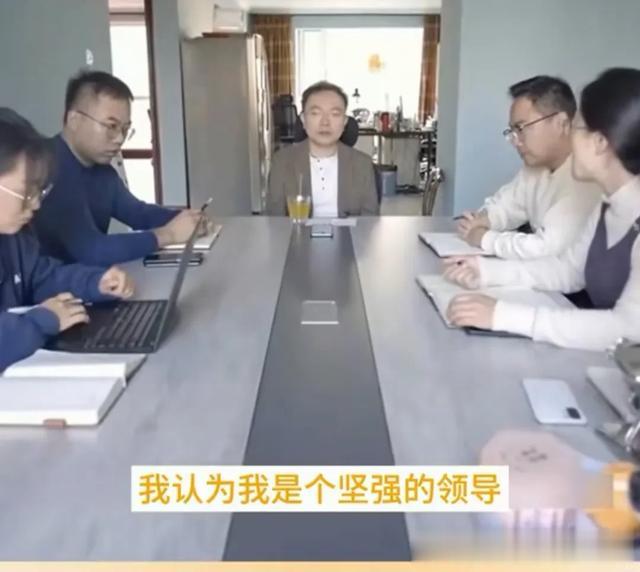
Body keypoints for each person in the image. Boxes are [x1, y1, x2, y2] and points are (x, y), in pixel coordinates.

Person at [444, 68, 640, 351]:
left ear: (600, 142)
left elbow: (628, 328)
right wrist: (486, 271)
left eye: (577, 128)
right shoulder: (607, 206)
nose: (570, 138)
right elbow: (568, 271)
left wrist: (502, 315)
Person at [0, 108, 134, 371]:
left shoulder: (15, 236)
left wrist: (95, 282)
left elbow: (43, 277)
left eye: (39, 191)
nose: (36, 204)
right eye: (26, 193)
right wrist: (44, 320)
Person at [32, 70, 208, 266]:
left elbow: (138, 214)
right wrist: (169, 234)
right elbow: (92, 250)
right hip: (51, 285)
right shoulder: (44, 169)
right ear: (74, 120)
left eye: (125, 129)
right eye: (111, 126)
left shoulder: (103, 172)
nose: (119, 139)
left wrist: (188, 219)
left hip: (91, 280)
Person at [457, 75, 600, 259]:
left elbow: (546, 249)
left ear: (562, 123)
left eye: (521, 128)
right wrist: (483, 219)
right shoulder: (535, 168)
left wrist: (484, 238)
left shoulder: (587, 177)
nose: (515, 141)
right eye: (512, 131)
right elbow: (506, 206)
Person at [266, 81, 379, 217]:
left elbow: (369, 221)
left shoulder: (362, 164)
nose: (325, 122)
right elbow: (274, 220)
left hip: (350, 231)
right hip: (297, 231)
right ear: (303, 120)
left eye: (335, 114)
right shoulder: (282, 162)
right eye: (315, 113)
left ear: (344, 122)